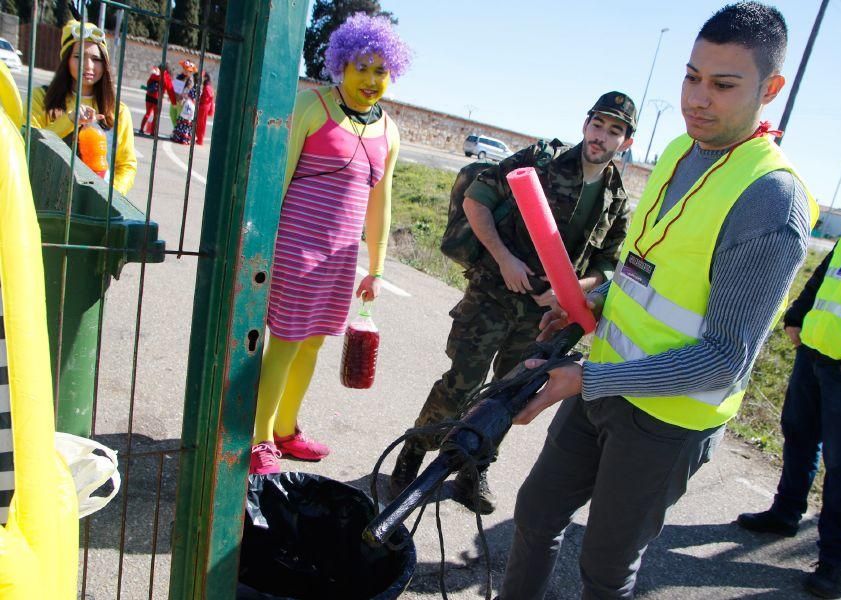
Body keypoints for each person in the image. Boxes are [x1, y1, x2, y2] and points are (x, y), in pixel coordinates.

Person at [498, 3, 819, 598]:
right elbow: (648, 268)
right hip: (602, 380)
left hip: (667, 420)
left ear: (770, 90)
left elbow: (726, 359)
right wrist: (588, 297)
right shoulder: (680, 149)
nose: (697, 98)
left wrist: (585, 378)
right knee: (537, 513)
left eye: (723, 85)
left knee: (604, 566)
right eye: (691, 76)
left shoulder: (771, 200)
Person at [387, 93, 637, 513]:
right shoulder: (542, 160)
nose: (602, 137)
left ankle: (474, 469)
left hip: (543, 318)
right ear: (586, 124)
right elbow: (476, 201)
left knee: (508, 396)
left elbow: (608, 266)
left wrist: (573, 288)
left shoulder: (617, 201)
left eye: (615, 131)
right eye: (598, 125)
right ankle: (413, 453)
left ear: (625, 142)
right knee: (461, 384)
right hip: (493, 296)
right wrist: (505, 260)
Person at [249, 13, 411, 475]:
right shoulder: (311, 105)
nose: (371, 79)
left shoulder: (389, 131)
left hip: (341, 260)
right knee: (283, 344)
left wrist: (376, 268)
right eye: (362, 67)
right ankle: (259, 439)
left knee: (313, 346)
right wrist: (259, 248)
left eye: (381, 71)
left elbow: (380, 204)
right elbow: (276, 181)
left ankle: (285, 430)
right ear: (341, 64)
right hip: (295, 250)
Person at [737, 169, 841, 599]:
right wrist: (795, 317)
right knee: (798, 437)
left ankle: (834, 562)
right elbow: (819, 281)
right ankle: (785, 513)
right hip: (813, 357)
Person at [30, 19, 137, 196]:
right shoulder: (41, 98)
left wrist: (109, 197)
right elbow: (29, 144)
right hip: (45, 201)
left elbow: (126, 165)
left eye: (96, 59)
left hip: (95, 209)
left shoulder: (117, 111)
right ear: (66, 59)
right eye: (78, 57)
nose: (88, 66)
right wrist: (69, 121)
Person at [140, 63, 175, 136]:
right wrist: (173, 102)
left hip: (149, 95)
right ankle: (152, 132)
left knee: (147, 113)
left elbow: (148, 82)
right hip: (158, 98)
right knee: (156, 116)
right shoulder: (166, 77)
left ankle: (141, 129)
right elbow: (170, 90)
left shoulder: (154, 73)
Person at [169, 59, 197, 127]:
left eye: (189, 70)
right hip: (175, 99)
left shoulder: (190, 80)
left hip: (182, 101)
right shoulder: (179, 77)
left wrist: (183, 99)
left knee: (179, 116)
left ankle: (177, 131)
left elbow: (188, 90)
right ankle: (175, 129)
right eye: (185, 69)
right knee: (172, 114)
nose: (186, 71)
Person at [195, 71, 215, 145]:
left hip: (203, 107)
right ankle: (199, 139)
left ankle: (200, 140)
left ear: (206, 78)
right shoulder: (208, 86)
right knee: (201, 123)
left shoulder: (207, 87)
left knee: (201, 124)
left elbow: (207, 99)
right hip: (204, 107)